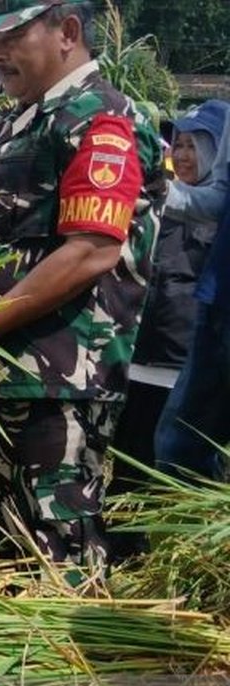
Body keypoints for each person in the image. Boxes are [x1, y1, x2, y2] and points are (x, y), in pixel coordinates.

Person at [0, 0, 164, 586]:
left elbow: (91, 249)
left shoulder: (101, 116)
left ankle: (57, 678)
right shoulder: (20, 121)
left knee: (54, 551)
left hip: (56, 381)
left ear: (68, 33)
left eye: (15, 35)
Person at [112, 100, 228, 558]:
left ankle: (173, 551)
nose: (181, 155)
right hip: (139, 355)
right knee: (130, 452)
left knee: (178, 460)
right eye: (176, 144)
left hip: (181, 361)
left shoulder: (213, 215)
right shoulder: (157, 204)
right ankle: (124, 543)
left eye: (194, 146)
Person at [153, 105, 230, 482]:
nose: (181, 154)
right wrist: (160, 191)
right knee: (179, 450)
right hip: (217, 300)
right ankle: (185, 537)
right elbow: (220, 196)